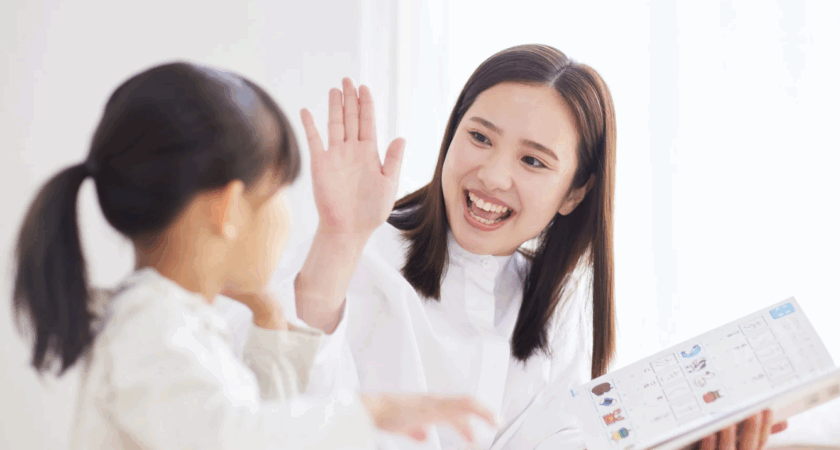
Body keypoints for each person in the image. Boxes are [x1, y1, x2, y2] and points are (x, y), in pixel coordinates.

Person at [258, 44, 789, 449]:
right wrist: (340, 237)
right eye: (480, 138)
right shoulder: (358, 254)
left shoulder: (558, 307)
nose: (492, 175)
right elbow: (276, 410)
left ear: (573, 193)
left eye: (533, 161)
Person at [10, 62, 496, 449]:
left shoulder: (182, 323)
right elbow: (235, 437)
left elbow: (261, 419)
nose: (287, 215)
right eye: (279, 194)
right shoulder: (150, 329)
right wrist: (372, 411)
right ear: (227, 209)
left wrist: (269, 320)